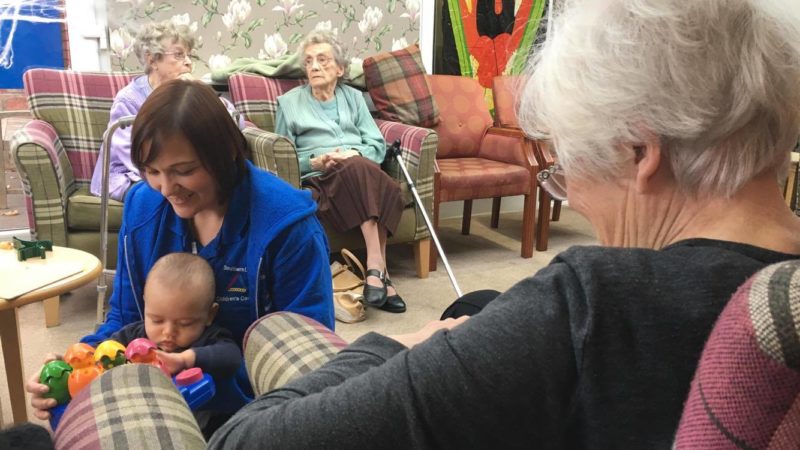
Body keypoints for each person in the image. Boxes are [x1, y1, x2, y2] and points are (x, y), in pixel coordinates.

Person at [199, 0, 800, 447]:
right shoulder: (780, 295)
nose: (576, 200)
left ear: (641, 153)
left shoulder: (592, 307)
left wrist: (400, 348)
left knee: (311, 332)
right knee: (480, 300)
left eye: (565, 166)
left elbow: (245, 440)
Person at [26, 79, 334, 420]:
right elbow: (126, 319)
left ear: (228, 152)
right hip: (158, 393)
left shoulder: (289, 226)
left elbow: (309, 354)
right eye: (152, 171)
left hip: (257, 404)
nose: (167, 188)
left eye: (184, 171)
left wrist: (205, 386)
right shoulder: (144, 206)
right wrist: (78, 360)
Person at [274, 31, 406, 314]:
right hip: (323, 177)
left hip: (359, 171)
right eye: (309, 61)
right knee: (382, 183)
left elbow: (376, 145)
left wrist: (354, 154)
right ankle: (380, 272)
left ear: (340, 69)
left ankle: (376, 273)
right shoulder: (289, 103)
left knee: (361, 168)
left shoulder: (355, 99)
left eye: (323, 60)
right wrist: (315, 161)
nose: (314, 67)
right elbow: (281, 158)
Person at [90, 20, 243, 202]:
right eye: (178, 55)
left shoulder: (187, 93)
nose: (188, 63)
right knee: (162, 195)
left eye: (188, 55)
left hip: (177, 173)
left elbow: (236, 125)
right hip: (130, 176)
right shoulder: (129, 100)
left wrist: (203, 95)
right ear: (152, 59)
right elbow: (133, 156)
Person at [109, 252, 241, 379]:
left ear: (209, 315)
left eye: (184, 323)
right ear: (146, 307)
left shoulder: (210, 338)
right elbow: (103, 350)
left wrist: (184, 360)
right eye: (157, 320)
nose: (168, 332)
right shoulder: (134, 335)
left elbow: (233, 358)